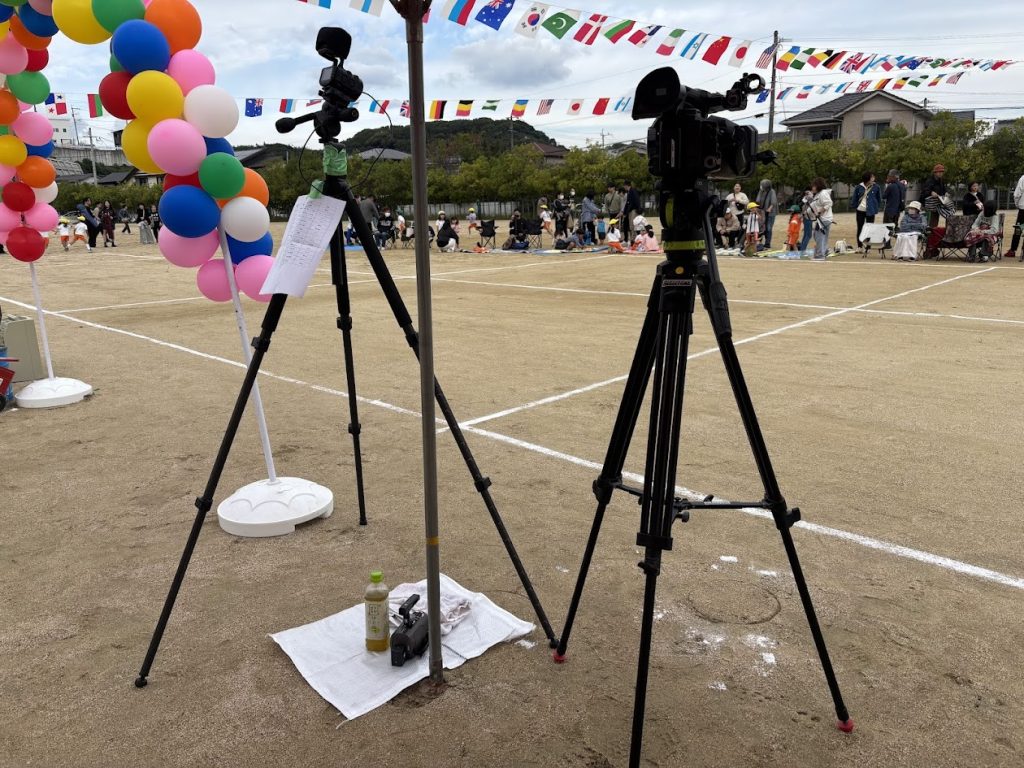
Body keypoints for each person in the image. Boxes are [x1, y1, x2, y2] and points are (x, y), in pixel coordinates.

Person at [850, 172, 882, 250]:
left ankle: (868, 247)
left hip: (871, 210)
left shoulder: (876, 187)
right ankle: (859, 246)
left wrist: (876, 207)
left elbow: (879, 198)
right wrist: (854, 206)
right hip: (860, 210)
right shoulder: (859, 187)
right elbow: (855, 197)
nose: (874, 178)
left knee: (870, 229)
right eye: (872, 177)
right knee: (860, 228)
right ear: (868, 179)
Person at [808, 177, 833, 261]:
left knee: (818, 236)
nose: (812, 188)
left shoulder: (823, 193)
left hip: (824, 219)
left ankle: (820, 255)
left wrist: (819, 212)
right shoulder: (819, 194)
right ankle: (824, 251)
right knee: (820, 236)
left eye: (814, 186)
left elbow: (829, 203)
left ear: (818, 185)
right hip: (824, 219)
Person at [922, 164, 948, 229]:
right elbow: (924, 191)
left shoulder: (941, 181)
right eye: (939, 172)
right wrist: (931, 192)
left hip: (937, 204)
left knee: (935, 221)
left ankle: (933, 232)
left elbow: (944, 190)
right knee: (930, 221)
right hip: (929, 205)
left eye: (942, 172)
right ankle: (929, 233)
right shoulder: (929, 181)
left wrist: (946, 193)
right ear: (935, 172)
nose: (941, 173)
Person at [1006, 171, 1024, 259]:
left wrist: (1017, 204)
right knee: (1018, 228)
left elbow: (1017, 194)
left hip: (1023, 209)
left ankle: (1013, 250)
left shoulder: (1023, 178)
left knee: (1018, 229)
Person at [755, 179, 778, 249]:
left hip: (770, 213)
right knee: (761, 227)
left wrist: (769, 209)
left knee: (768, 228)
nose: (760, 186)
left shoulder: (772, 191)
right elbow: (757, 200)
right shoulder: (761, 191)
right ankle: (759, 242)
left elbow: (773, 202)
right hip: (762, 212)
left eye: (762, 185)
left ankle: (767, 243)